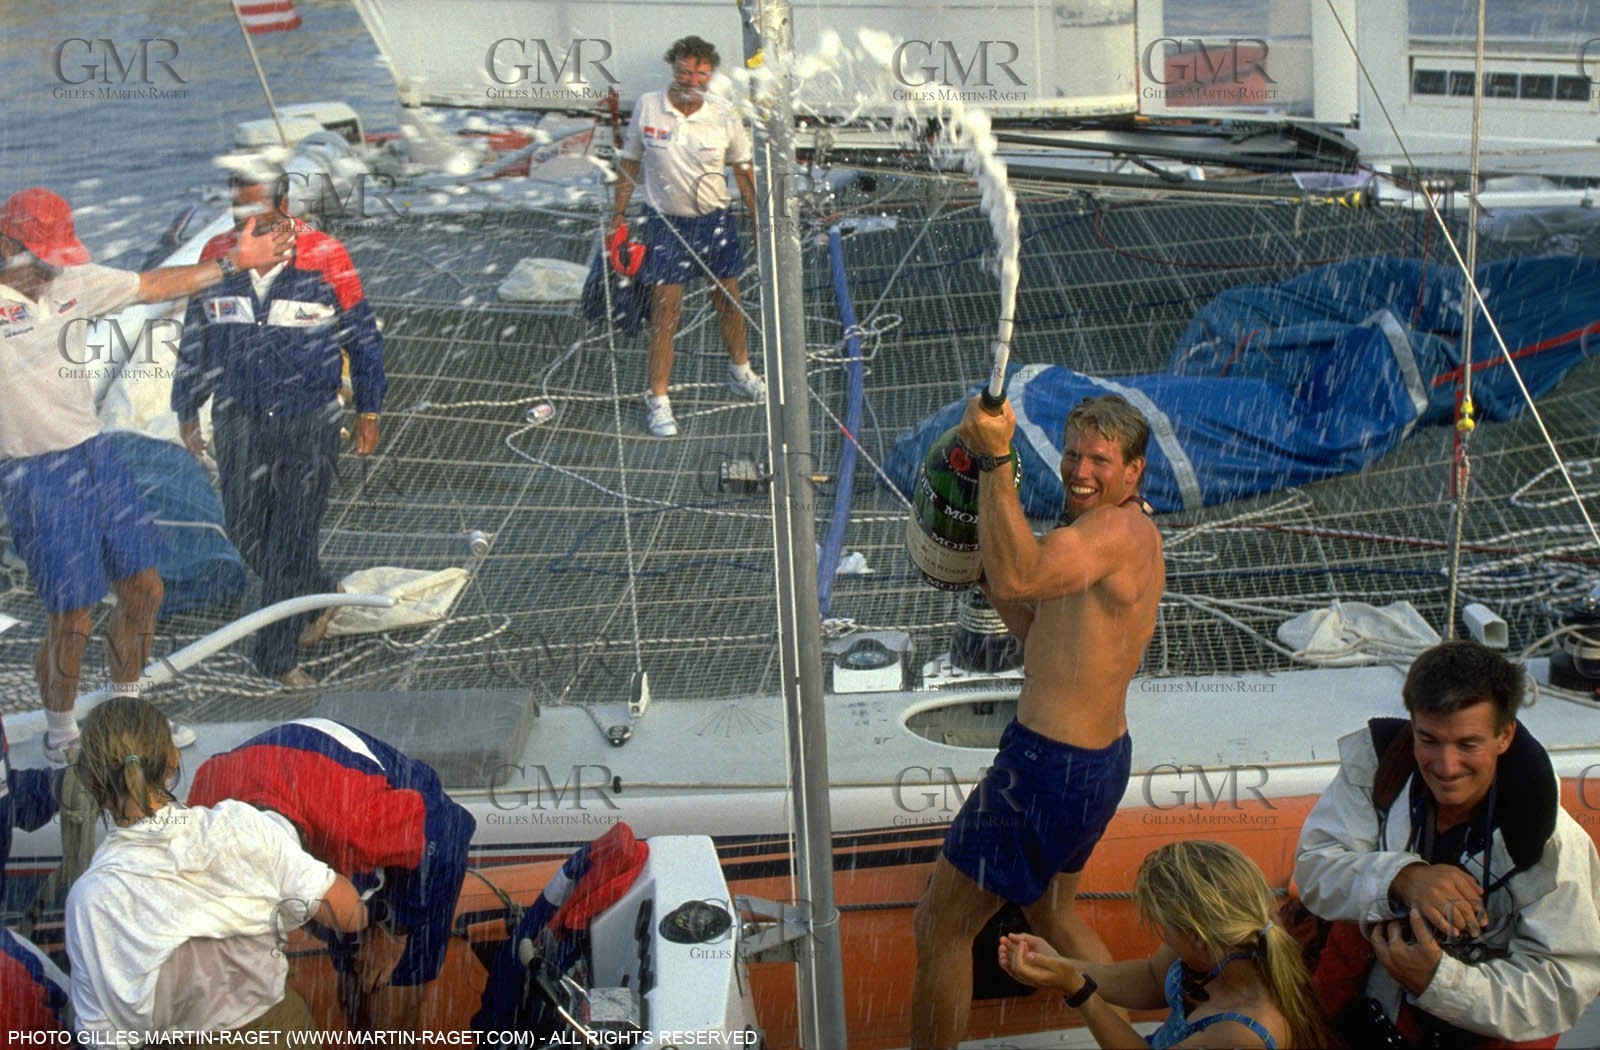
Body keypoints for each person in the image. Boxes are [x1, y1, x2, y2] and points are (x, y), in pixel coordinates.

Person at [910, 393, 1166, 1049]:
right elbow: (1037, 626)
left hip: (1043, 767)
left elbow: (1024, 576)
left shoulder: (1105, 535)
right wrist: (983, 564)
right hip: (1097, 763)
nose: (1080, 472)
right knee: (1053, 913)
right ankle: (1148, 1038)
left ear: (1135, 471)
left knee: (941, 927)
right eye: (1073, 455)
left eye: (1100, 461)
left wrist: (996, 458)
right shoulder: (1132, 530)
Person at [0, 186, 288, 760]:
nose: (46, 270)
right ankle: (62, 735)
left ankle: (126, 707)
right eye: (35, 257)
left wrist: (234, 262)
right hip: (32, 473)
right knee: (72, 614)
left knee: (145, 587)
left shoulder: (72, 281)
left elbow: (155, 286)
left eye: (53, 256)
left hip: (96, 454)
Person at [1294, 639, 1600, 1048]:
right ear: (1412, 724)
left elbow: (1562, 987)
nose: (1446, 766)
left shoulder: (1552, 844)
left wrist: (1440, 981)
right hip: (1365, 1019)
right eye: (1429, 740)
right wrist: (1401, 877)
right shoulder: (1377, 770)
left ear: (1504, 736)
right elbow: (1314, 868)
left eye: (1467, 745)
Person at [172, 173, 387, 688]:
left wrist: (370, 410)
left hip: (310, 419)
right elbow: (196, 336)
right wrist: (186, 407)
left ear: (287, 207)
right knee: (246, 530)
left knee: (291, 537)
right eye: (240, 218)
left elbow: (362, 336)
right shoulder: (216, 255)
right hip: (238, 416)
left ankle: (275, 657)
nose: (250, 229)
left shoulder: (327, 254)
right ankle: (317, 589)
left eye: (262, 219)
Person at [65, 697, 372, 1034]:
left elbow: (101, 1033)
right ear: (173, 761)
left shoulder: (91, 898)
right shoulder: (243, 827)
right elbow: (351, 914)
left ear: (91, 782)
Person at [187, 718, 476, 1032]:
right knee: (356, 992)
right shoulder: (202, 806)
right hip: (306, 804)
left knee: (386, 1014)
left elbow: (452, 831)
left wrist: (395, 930)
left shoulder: (360, 822)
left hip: (418, 859)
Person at [999, 840, 1330, 1048]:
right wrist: (1060, 966)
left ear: (1197, 935)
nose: (1162, 936)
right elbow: (1151, 979)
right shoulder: (1219, 946)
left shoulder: (1243, 1032)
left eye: (1164, 928)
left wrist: (1078, 991)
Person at [611, 35, 764, 438]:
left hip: (715, 220)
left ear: (710, 77)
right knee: (666, 315)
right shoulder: (648, 105)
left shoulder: (725, 112)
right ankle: (658, 400)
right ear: (672, 69)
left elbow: (744, 173)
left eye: (700, 73)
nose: (690, 79)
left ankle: (740, 371)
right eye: (683, 71)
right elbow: (630, 162)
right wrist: (617, 216)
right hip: (664, 223)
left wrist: (760, 222)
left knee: (730, 301)